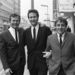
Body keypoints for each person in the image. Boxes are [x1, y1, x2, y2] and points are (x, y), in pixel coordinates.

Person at [22, 9, 52, 75]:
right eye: (30, 17)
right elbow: (21, 45)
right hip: (31, 63)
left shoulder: (46, 29)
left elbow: (51, 44)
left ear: (38, 17)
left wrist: (50, 53)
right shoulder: (26, 32)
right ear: (28, 18)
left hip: (43, 62)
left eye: (34, 17)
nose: (32, 19)